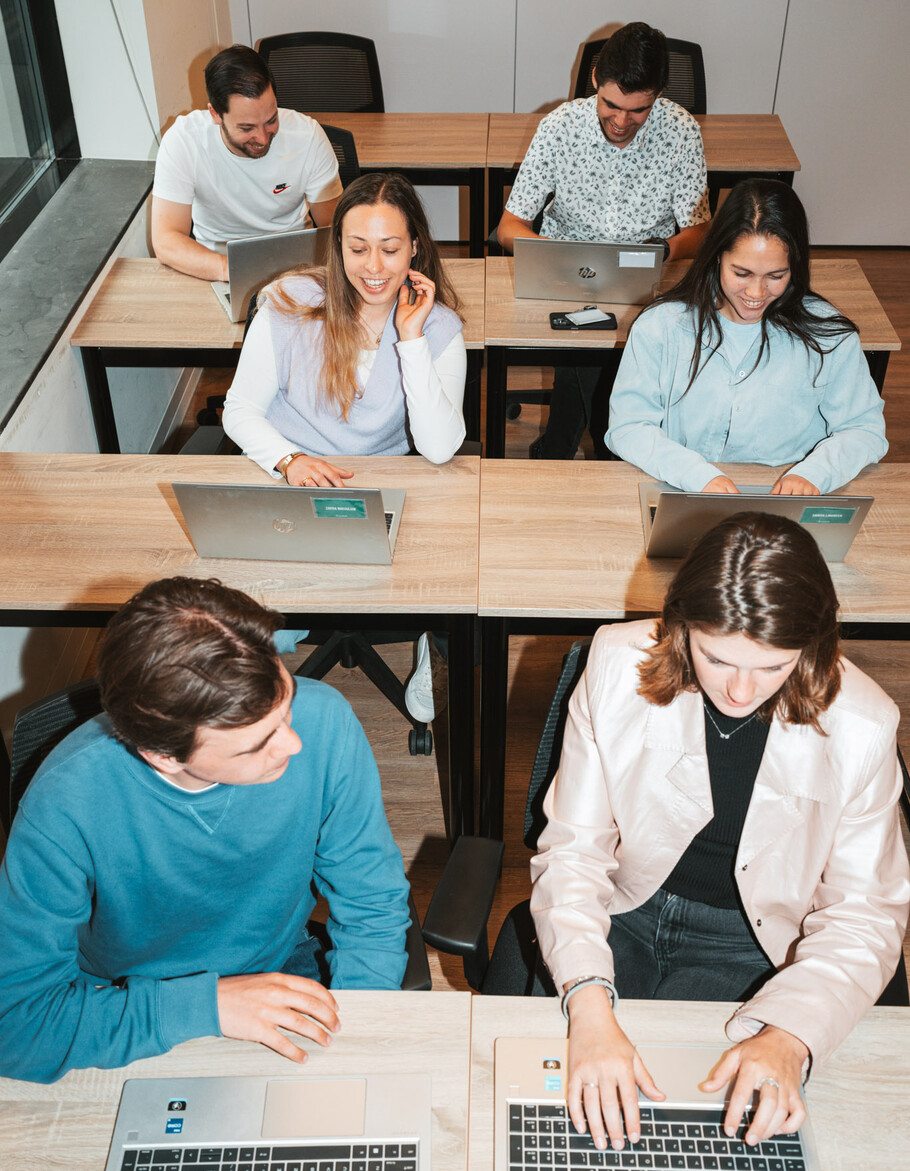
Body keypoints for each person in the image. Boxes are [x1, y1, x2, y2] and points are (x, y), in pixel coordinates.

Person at [530, 513, 909, 1152]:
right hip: (623, 906)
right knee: (559, 1106)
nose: (739, 689)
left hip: (757, 941)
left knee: (718, 1126)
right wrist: (589, 1003)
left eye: (772, 667)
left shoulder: (863, 724)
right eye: (716, 657)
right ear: (680, 627)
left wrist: (790, 1035)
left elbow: (865, 915)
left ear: (811, 646)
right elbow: (574, 849)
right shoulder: (615, 662)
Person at [0, 577, 411, 1083]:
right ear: (163, 756)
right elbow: (16, 1025)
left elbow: (372, 901)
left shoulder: (324, 720)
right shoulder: (67, 800)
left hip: (278, 969)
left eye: (286, 709)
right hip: (126, 1003)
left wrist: (358, 1039)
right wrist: (208, 1006)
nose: (295, 745)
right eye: (255, 745)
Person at [223, 170, 466, 722]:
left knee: (451, 563)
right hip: (287, 472)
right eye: (358, 248)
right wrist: (289, 460)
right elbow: (238, 411)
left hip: (385, 483)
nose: (373, 267)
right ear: (338, 247)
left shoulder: (441, 328)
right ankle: (287, 627)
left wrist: (411, 339)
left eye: (389, 249)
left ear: (416, 249)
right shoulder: (288, 301)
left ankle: (431, 639)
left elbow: (439, 448)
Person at [496, 22, 711, 459]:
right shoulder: (560, 127)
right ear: (595, 78)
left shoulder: (681, 131)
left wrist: (662, 251)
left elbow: (700, 230)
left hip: (648, 274)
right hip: (566, 274)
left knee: (598, 350)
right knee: (597, 353)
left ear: (659, 94)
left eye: (638, 111)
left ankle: (561, 445)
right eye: (611, 105)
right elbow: (508, 227)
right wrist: (555, 256)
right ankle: (611, 447)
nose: (620, 121)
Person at [606, 179, 888, 493]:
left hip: (786, 499)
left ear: (794, 266)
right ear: (716, 257)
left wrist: (814, 474)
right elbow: (629, 427)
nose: (755, 293)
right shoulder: (661, 325)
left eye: (776, 276)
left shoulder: (828, 334)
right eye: (741, 274)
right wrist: (697, 475)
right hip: (684, 489)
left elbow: (864, 429)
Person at [151, 44, 342, 281]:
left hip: (294, 270)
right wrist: (234, 271)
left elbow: (334, 230)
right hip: (213, 268)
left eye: (271, 120)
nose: (262, 138)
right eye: (247, 128)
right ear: (215, 114)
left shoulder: (308, 136)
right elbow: (166, 240)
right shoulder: (184, 141)